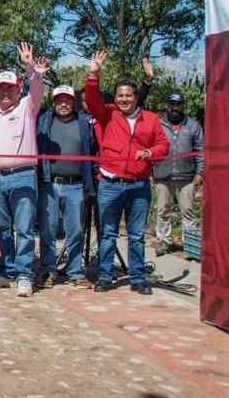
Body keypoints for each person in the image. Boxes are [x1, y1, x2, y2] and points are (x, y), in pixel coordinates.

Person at [85, 51, 170, 295]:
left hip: (138, 186)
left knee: (136, 236)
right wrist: (94, 74)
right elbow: (91, 99)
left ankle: (138, 278)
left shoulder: (151, 119)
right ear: (115, 98)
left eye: (128, 95)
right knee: (108, 234)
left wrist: (150, 152)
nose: (124, 99)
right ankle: (105, 276)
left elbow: (163, 145)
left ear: (136, 97)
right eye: (120, 95)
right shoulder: (107, 114)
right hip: (110, 184)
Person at [0, 42, 47, 298]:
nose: (5, 91)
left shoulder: (28, 107)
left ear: (18, 89)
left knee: (25, 229)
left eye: (10, 87)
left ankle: (24, 274)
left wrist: (30, 67)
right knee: (2, 229)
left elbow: (37, 88)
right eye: (1, 88)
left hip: (23, 175)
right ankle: (7, 271)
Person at [36, 85, 98, 290]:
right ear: (53, 102)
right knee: (48, 229)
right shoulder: (44, 120)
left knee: (76, 230)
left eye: (67, 100)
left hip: (76, 185)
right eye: (59, 100)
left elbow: (94, 150)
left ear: (73, 102)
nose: (63, 104)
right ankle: (48, 270)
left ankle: (75, 272)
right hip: (49, 183)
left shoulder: (84, 123)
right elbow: (31, 95)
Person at [153, 92, 205, 257]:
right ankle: (164, 241)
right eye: (171, 104)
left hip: (186, 176)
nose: (175, 107)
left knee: (188, 211)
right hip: (162, 174)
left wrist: (200, 172)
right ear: (166, 106)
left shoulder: (193, 126)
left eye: (178, 104)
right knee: (162, 210)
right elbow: (150, 147)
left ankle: (190, 246)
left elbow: (200, 150)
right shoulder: (157, 124)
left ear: (182, 105)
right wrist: (150, 170)